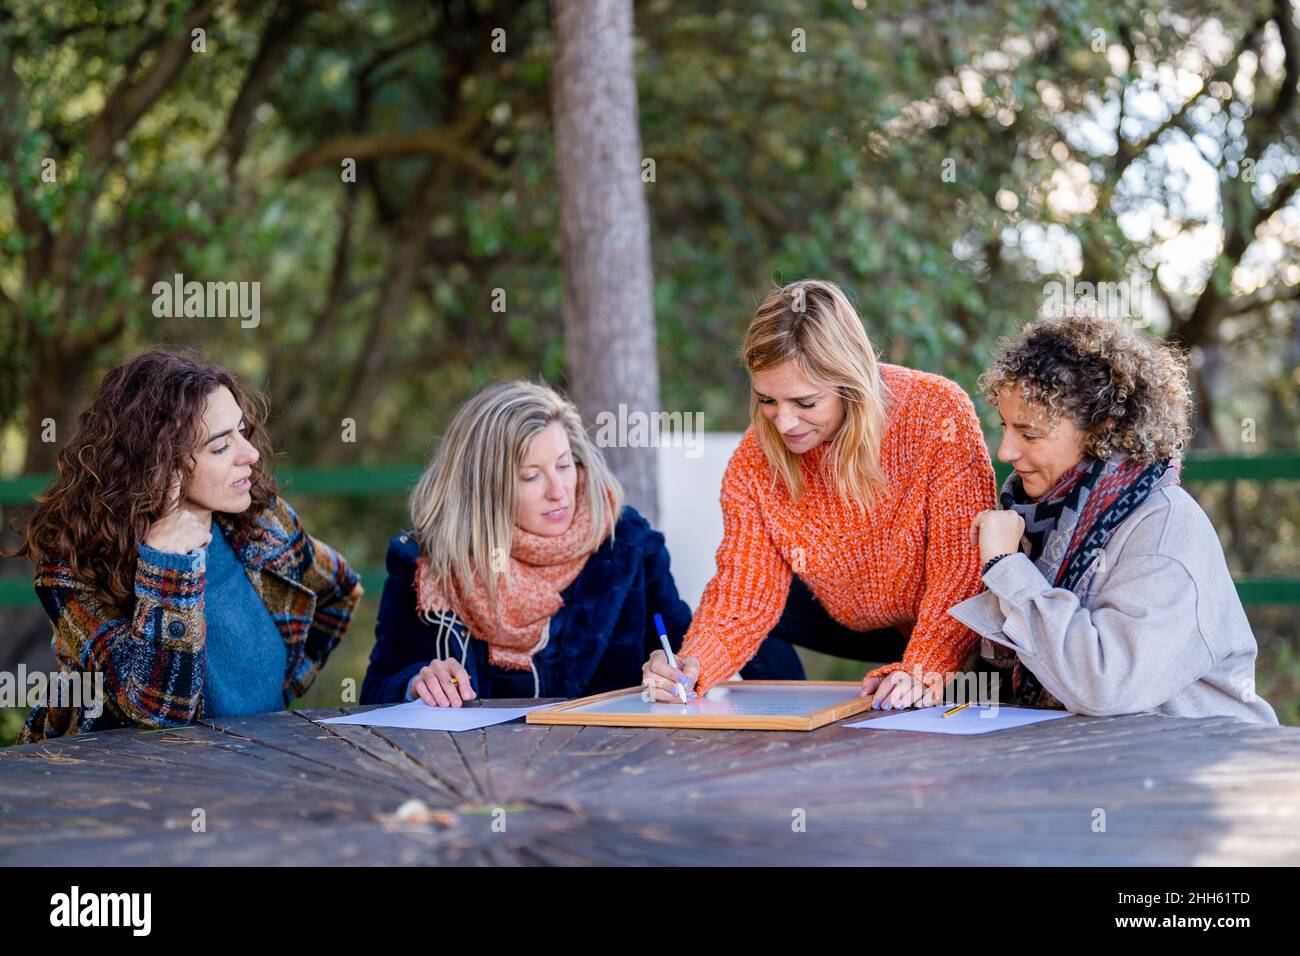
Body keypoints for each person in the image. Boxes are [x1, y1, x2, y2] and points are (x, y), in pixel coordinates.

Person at [642, 279, 996, 710]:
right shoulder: (754, 458)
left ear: (850, 384)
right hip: (843, 611)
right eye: (767, 400)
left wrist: (925, 665)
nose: (784, 422)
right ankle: (791, 724)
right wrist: (694, 663)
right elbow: (743, 589)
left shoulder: (938, 412)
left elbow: (961, 566)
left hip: (937, 617)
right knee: (758, 617)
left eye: (805, 403)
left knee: (952, 693)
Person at [14, 348, 362, 743]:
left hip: (259, 777)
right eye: (220, 446)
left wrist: (278, 697)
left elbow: (340, 590)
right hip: (121, 791)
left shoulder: (264, 526)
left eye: (242, 432)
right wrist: (166, 567)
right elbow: (159, 716)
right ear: (158, 463)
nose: (250, 454)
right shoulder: (75, 568)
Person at [949, 312, 1278, 723]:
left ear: (1101, 430)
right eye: (1005, 427)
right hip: (1103, 765)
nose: (1005, 452)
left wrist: (1005, 567)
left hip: (1195, 765)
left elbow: (1103, 686)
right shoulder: (1033, 520)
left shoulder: (1165, 530)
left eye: (1029, 433)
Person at [362, 380, 691, 706]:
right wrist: (415, 684)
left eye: (564, 465)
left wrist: (671, 671)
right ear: (484, 488)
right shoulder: (426, 561)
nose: (558, 491)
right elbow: (375, 692)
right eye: (531, 476)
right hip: (474, 758)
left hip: (608, 755)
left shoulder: (628, 545)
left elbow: (688, 657)